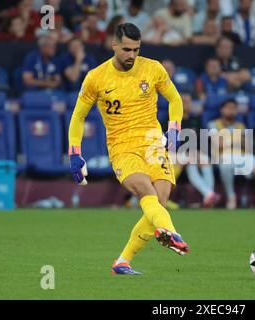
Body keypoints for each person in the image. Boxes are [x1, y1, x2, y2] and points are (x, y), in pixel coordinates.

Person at [68, 23, 190, 275]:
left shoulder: (153, 68)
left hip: (154, 142)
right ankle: (172, 233)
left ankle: (122, 262)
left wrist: (175, 127)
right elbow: (78, 117)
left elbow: (175, 99)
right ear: (114, 45)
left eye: (136, 49)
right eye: (126, 49)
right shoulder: (96, 77)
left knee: (160, 203)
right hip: (122, 146)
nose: (131, 55)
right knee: (147, 193)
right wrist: (75, 153)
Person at [208, 99, 255, 210]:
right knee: (225, 166)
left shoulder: (240, 125)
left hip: (242, 156)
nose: (231, 111)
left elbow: (247, 145)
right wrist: (237, 140)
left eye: (233, 108)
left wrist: (229, 140)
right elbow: (218, 144)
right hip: (223, 156)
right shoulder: (213, 124)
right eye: (228, 108)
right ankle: (231, 196)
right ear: (222, 110)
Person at [176, 93, 221, 207]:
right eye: (182, 102)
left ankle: (208, 196)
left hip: (195, 153)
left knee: (205, 159)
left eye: (187, 102)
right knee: (191, 160)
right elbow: (168, 142)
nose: (185, 105)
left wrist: (200, 152)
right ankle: (209, 194)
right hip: (176, 154)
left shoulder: (196, 119)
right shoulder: (171, 120)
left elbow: (203, 139)